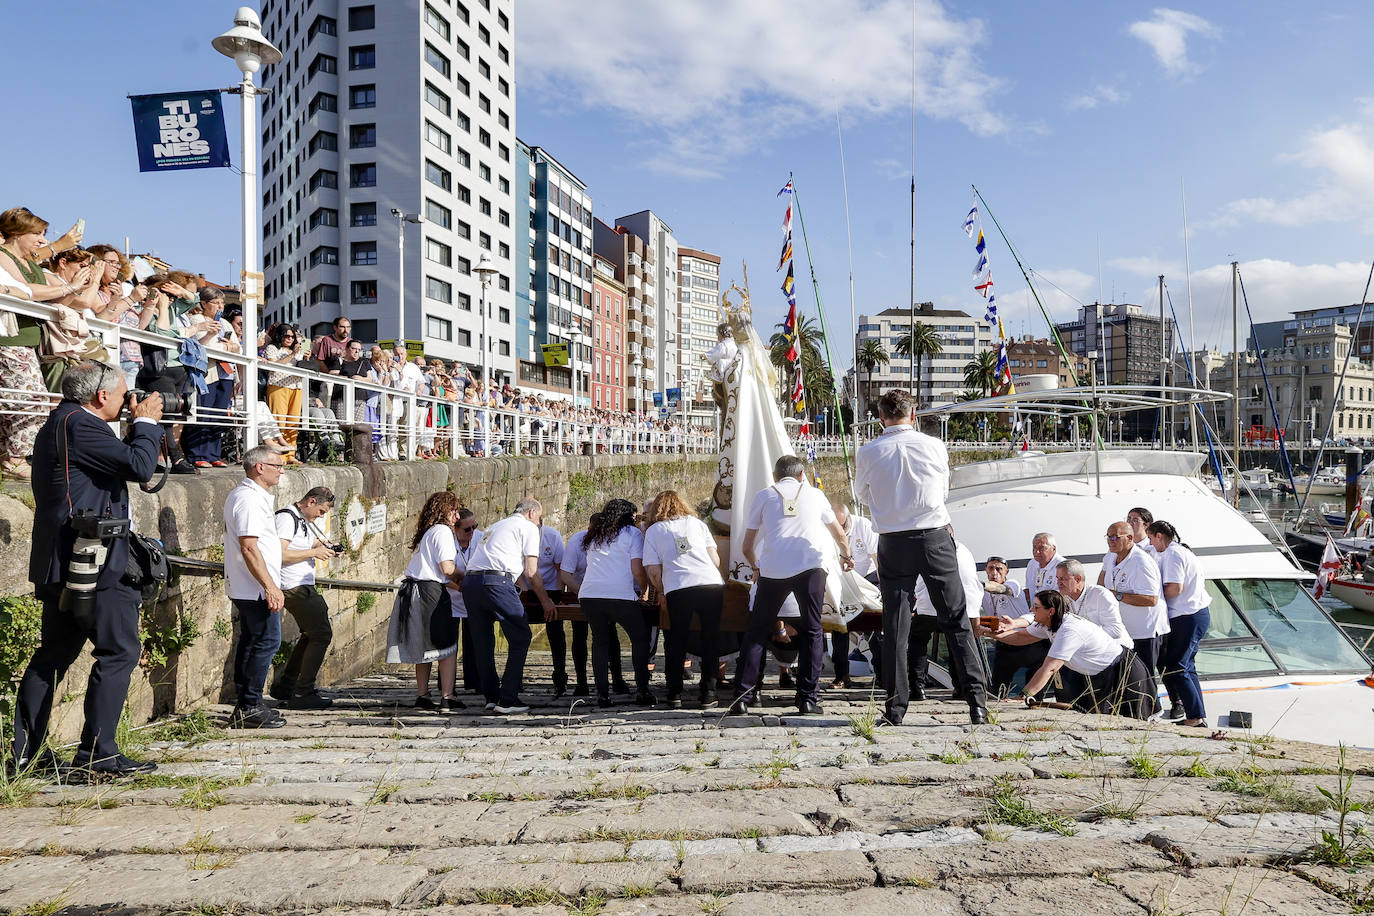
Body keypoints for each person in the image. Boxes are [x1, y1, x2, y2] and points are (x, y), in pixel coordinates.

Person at [11, 362, 163, 778]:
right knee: (119, 651)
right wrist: (147, 422)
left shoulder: (59, 422)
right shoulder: (83, 425)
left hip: (60, 560)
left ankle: (24, 754)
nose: (124, 399)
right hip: (93, 560)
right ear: (101, 396)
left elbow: (121, 468)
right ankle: (99, 752)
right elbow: (140, 467)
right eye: (120, 393)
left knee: (54, 655)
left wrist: (135, 430)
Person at [855, 388, 989, 726]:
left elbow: (861, 494)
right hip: (934, 535)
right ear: (913, 415)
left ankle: (896, 708)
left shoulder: (868, 452)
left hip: (893, 539)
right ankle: (977, 703)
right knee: (956, 619)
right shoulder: (934, 446)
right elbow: (942, 492)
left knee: (896, 625)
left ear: (881, 418)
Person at [733, 455, 854, 716]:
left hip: (773, 568)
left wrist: (756, 567)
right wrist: (846, 556)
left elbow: (746, 546)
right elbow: (839, 533)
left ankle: (742, 697)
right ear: (802, 476)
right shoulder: (816, 495)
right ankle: (807, 698)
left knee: (757, 631)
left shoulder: (764, 496)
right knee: (812, 630)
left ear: (775, 477)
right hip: (810, 566)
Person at [462, 497, 553, 714]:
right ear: (532, 513)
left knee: (483, 641)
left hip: (471, 582)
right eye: (539, 518)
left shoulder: (497, 526)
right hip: (496, 583)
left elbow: (508, 566)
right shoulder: (528, 528)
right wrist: (545, 600)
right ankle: (508, 699)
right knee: (521, 636)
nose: (539, 523)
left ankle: (491, 697)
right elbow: (531, 572)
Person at [223, 445, 289, 729]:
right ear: (259, 467)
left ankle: (249, 702)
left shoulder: (253, 497)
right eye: (277, 465)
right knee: (266, 641)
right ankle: (249, 704)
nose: (282, 470)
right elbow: (249, 548)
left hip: (252, 586)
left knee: (253, 641)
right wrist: (270, 587)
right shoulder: (248, 499)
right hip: (255, 588)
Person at [643, 489, 725, 709]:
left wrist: (661, 592)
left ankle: (674, 693)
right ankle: (708, 693)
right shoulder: (698, 524)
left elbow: (653, 571)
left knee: (676, 640)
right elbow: (715, 560)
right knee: (710, 639)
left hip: (679, 587)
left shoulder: (653, 531)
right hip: (710, 584)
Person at [572, 498, 656, 708]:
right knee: (639, 640)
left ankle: (602, 694)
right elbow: (637, 569)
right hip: (619, 595)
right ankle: (643, 690)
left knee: (599, 643)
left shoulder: (594, 535)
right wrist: (645, 590)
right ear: (628, 516)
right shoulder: (632, 533)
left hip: (590, 594)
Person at [1019, 590, 1153, 719]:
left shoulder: (1069, 630)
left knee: (1133, 723)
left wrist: (1024, 695)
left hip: (1123, 671)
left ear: (1051, 611)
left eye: (1036, 607)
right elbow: (1018, 637)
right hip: (1101, 675)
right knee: (1101, 722)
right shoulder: (1049, 623)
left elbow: (1050, 668)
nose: (1032, 610)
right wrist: (1000, 630)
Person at [387, 491, 462, 710]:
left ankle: (423, 695)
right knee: (446, 644)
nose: (457, 517)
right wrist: (467, 579)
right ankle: (447, 696)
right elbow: (447, 569)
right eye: (454, 511)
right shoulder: (442, 532)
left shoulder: (428, 532)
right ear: (444, 510)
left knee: (424, 644)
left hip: (414, 591)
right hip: (430, 593)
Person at [268, 486, 342, 710]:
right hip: (293, 586)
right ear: (310, 501)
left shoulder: (301, 519)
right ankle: (303, 691)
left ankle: (288, 686)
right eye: (320, 511)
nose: (322, 516)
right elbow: (279, 554)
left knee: (311, 634)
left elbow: (303, 544)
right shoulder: (286, 518)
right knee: (321, 634)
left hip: (302, 584)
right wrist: (314, 553)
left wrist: (324, 546)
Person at [906, 534, 984, 701]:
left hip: (931, 603)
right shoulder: (964, 549)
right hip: (963, 604)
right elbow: (972, 581)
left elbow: (916, 578)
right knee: (956, 642)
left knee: (918, 640)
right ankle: (963, 688)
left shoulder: (926, 546)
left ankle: (917, 688)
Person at [1148, 520, 1210, 727]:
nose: (1150, 542)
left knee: (1177, 666)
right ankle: (1197, 714)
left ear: (1159, 536)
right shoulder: (1176, 552)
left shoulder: (1173, 554)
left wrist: (1149, 595)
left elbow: (1175, 588)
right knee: (1187, 666)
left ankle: (1195, 716)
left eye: (1150, 538)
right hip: (1193, 614)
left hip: (1187, 615)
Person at [1102, 520, 1169, 714]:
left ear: (1130, 538)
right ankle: (1128, 711)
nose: (1110, 541)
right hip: (1123, 629)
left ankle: (1151, 714)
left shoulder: (1142, 561)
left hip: (1145, 630)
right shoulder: (1111, 557)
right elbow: (1102, 583)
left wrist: (1117, 595)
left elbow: (1150, 599)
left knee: (1144, 676)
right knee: (1125, 674)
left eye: (1115, 537)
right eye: (1108, 536)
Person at [560, 513, 628, 695]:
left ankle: (618, 680)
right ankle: (581, 683)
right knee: (579, 635)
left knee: (610, 635)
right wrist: (584, 593)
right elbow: (566, 574)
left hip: (604, 593)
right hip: (580, 590)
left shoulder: (613, 541)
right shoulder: (577, 541)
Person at [523, 518, 582, 697]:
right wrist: (524, 592)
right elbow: (515, 569)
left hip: (550, 588)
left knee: (556, 634)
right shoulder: (518, 536)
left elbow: (560, 569)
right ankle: (516, 677)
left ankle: (560, 677)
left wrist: (556, 596)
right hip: (524, 588)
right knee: (519, 634)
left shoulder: (552, 536)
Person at [183, 287, 235, 468]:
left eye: (222, 303)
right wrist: (227, 347)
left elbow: (238, 347)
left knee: (218, 414)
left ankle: (213, 454)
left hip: (226, 373)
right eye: (216, 303)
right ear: (204, 304)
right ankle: (197, 453)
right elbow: (206, 346)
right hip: (207, 371)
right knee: (203, 411)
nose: (220, 306)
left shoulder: (226, 324)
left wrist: (231, 348)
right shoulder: (197, 320)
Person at [980, 555, 1045, 700]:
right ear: (986, 570)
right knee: (997, 688)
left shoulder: (1013, 584)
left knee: (1034, 690)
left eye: (999, 569)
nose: (995, 572)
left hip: (1026, 641)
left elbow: (1002, 589)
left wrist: (979, 584)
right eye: (991, 568)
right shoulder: (983, 593)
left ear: (1006, 572)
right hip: (1005, 642)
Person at [831, 502, 878, 688]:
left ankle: (882, 671)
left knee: (875, 626)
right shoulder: (828, 530)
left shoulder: (863, 526)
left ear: (849, 518)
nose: (841, 530)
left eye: (843, 526)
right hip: (842, 583)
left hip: (867, 581)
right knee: (839, 625)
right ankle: (842, 675)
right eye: (837, 527)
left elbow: (876, 557)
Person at [263, 325, 305, 463]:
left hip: (296, 386)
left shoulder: (297, 351)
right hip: (278, 385)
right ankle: (278, 456)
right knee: (279, 421)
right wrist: (292, 354)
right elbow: (274, 366)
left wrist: (305, 358)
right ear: (280, 335)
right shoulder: (272, 348)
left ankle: (290, 455)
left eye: (292, 337)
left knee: (293, 423)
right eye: (287, 336)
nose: (290, 339)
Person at [453, 507, 483, 693]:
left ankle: (474, 682)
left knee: (475, 639)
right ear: (455, 529)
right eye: (467, 529)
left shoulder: (481, 538)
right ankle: (447, 684)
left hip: (473, 596)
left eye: (474, 526)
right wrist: (461, 587)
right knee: (448, 641)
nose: (472, 532)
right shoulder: (447, 541)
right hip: (450, 595)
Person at [1024, 532, 1062, 607]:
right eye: (1034, 547)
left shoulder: (1062, 566)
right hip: (1035, 612)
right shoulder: (1032, 563)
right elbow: (1028, 590)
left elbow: (1061, 597)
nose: (1037, 552)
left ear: (1053, 548)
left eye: (1041, 548)